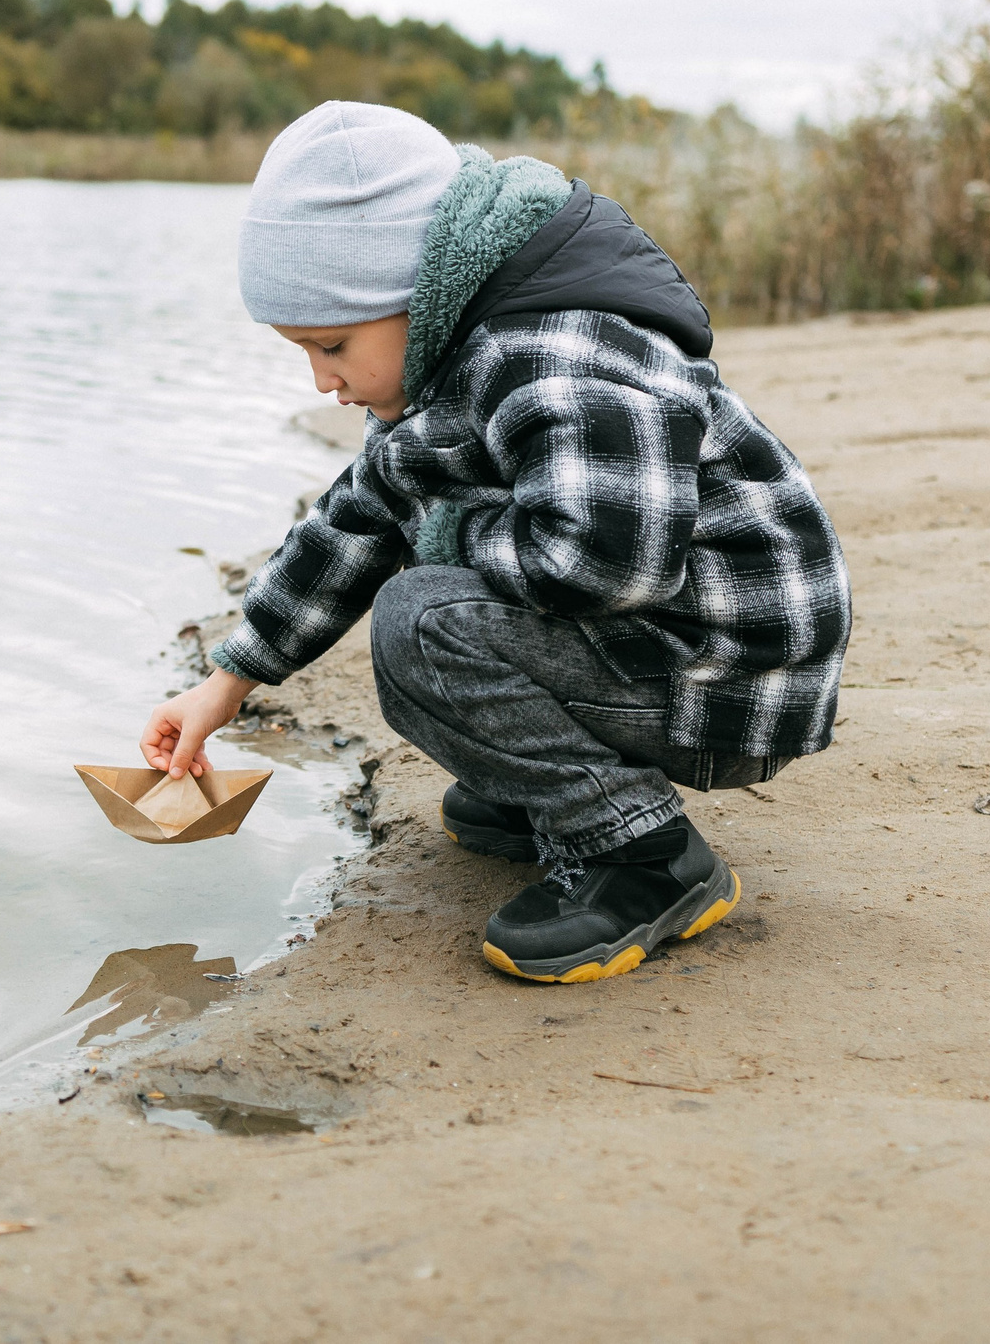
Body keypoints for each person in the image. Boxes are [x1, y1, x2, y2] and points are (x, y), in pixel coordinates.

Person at [142, 101, 850, 985]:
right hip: (668, 643)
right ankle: (546, 787)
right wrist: (227, 680)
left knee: (419, 620)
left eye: (332, 345)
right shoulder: (448, 351)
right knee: (424, 569)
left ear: (411, 291)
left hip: (731, 677)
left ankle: (645, 855)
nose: (323, 380)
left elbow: (611, 563)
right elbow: (359, 514)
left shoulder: (556, 355)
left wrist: (447, 527)